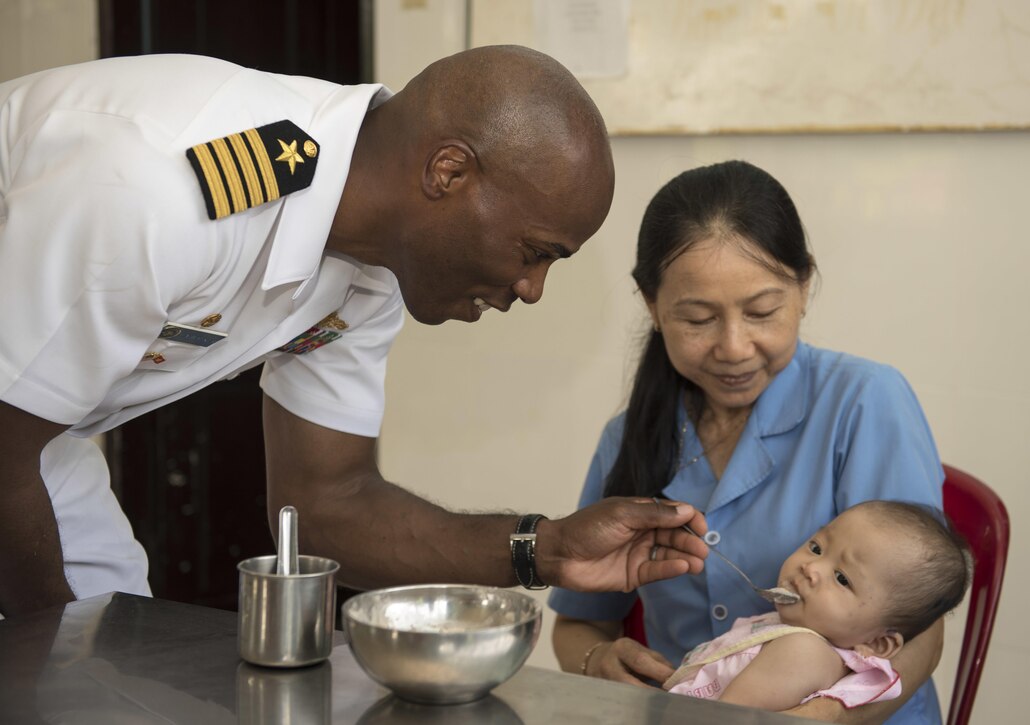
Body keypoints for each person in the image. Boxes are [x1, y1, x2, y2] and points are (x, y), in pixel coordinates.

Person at [0, 46, 710, 619]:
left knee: (110, 654)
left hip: (30, 447)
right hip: (10, 447)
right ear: (449, 171)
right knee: (71, 672)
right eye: (534, 252)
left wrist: (545, 548)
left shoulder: (366, 272)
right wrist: (52, 668)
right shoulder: (164, 189)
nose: (531, 289)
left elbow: (329, 505)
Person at [549, 159, 948, 724]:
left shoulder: (865, 402)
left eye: (762, 312)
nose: (734, 347)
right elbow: (580, 621)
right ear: (652, 308)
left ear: (803, 288)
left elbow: (921, 633)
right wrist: (595, 660)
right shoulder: (627, 439)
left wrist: (826, 716)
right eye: (698, 319)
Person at [664, 500, 970, 713]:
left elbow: (723, 720)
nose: (811, 567)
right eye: (816, 547)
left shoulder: (803, 652)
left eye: (841, 578)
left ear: (877, 643)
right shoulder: (794, 629)